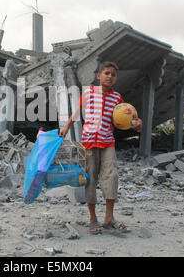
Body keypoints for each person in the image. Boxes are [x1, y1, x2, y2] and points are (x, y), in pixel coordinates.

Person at [59, 61, 142, 234]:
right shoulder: (89, 93)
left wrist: (137, 124)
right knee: (90, 179)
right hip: (89, 142)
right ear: (98, 76)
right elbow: (77, 112)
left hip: (107, 142)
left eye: (113, 74)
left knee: (111, 176)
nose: (109, 76)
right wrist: (66, 128)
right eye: (106, 73)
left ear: (115, 78)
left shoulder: (117, 98)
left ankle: (109, 217)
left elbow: (125, 117)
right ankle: (92, 219)